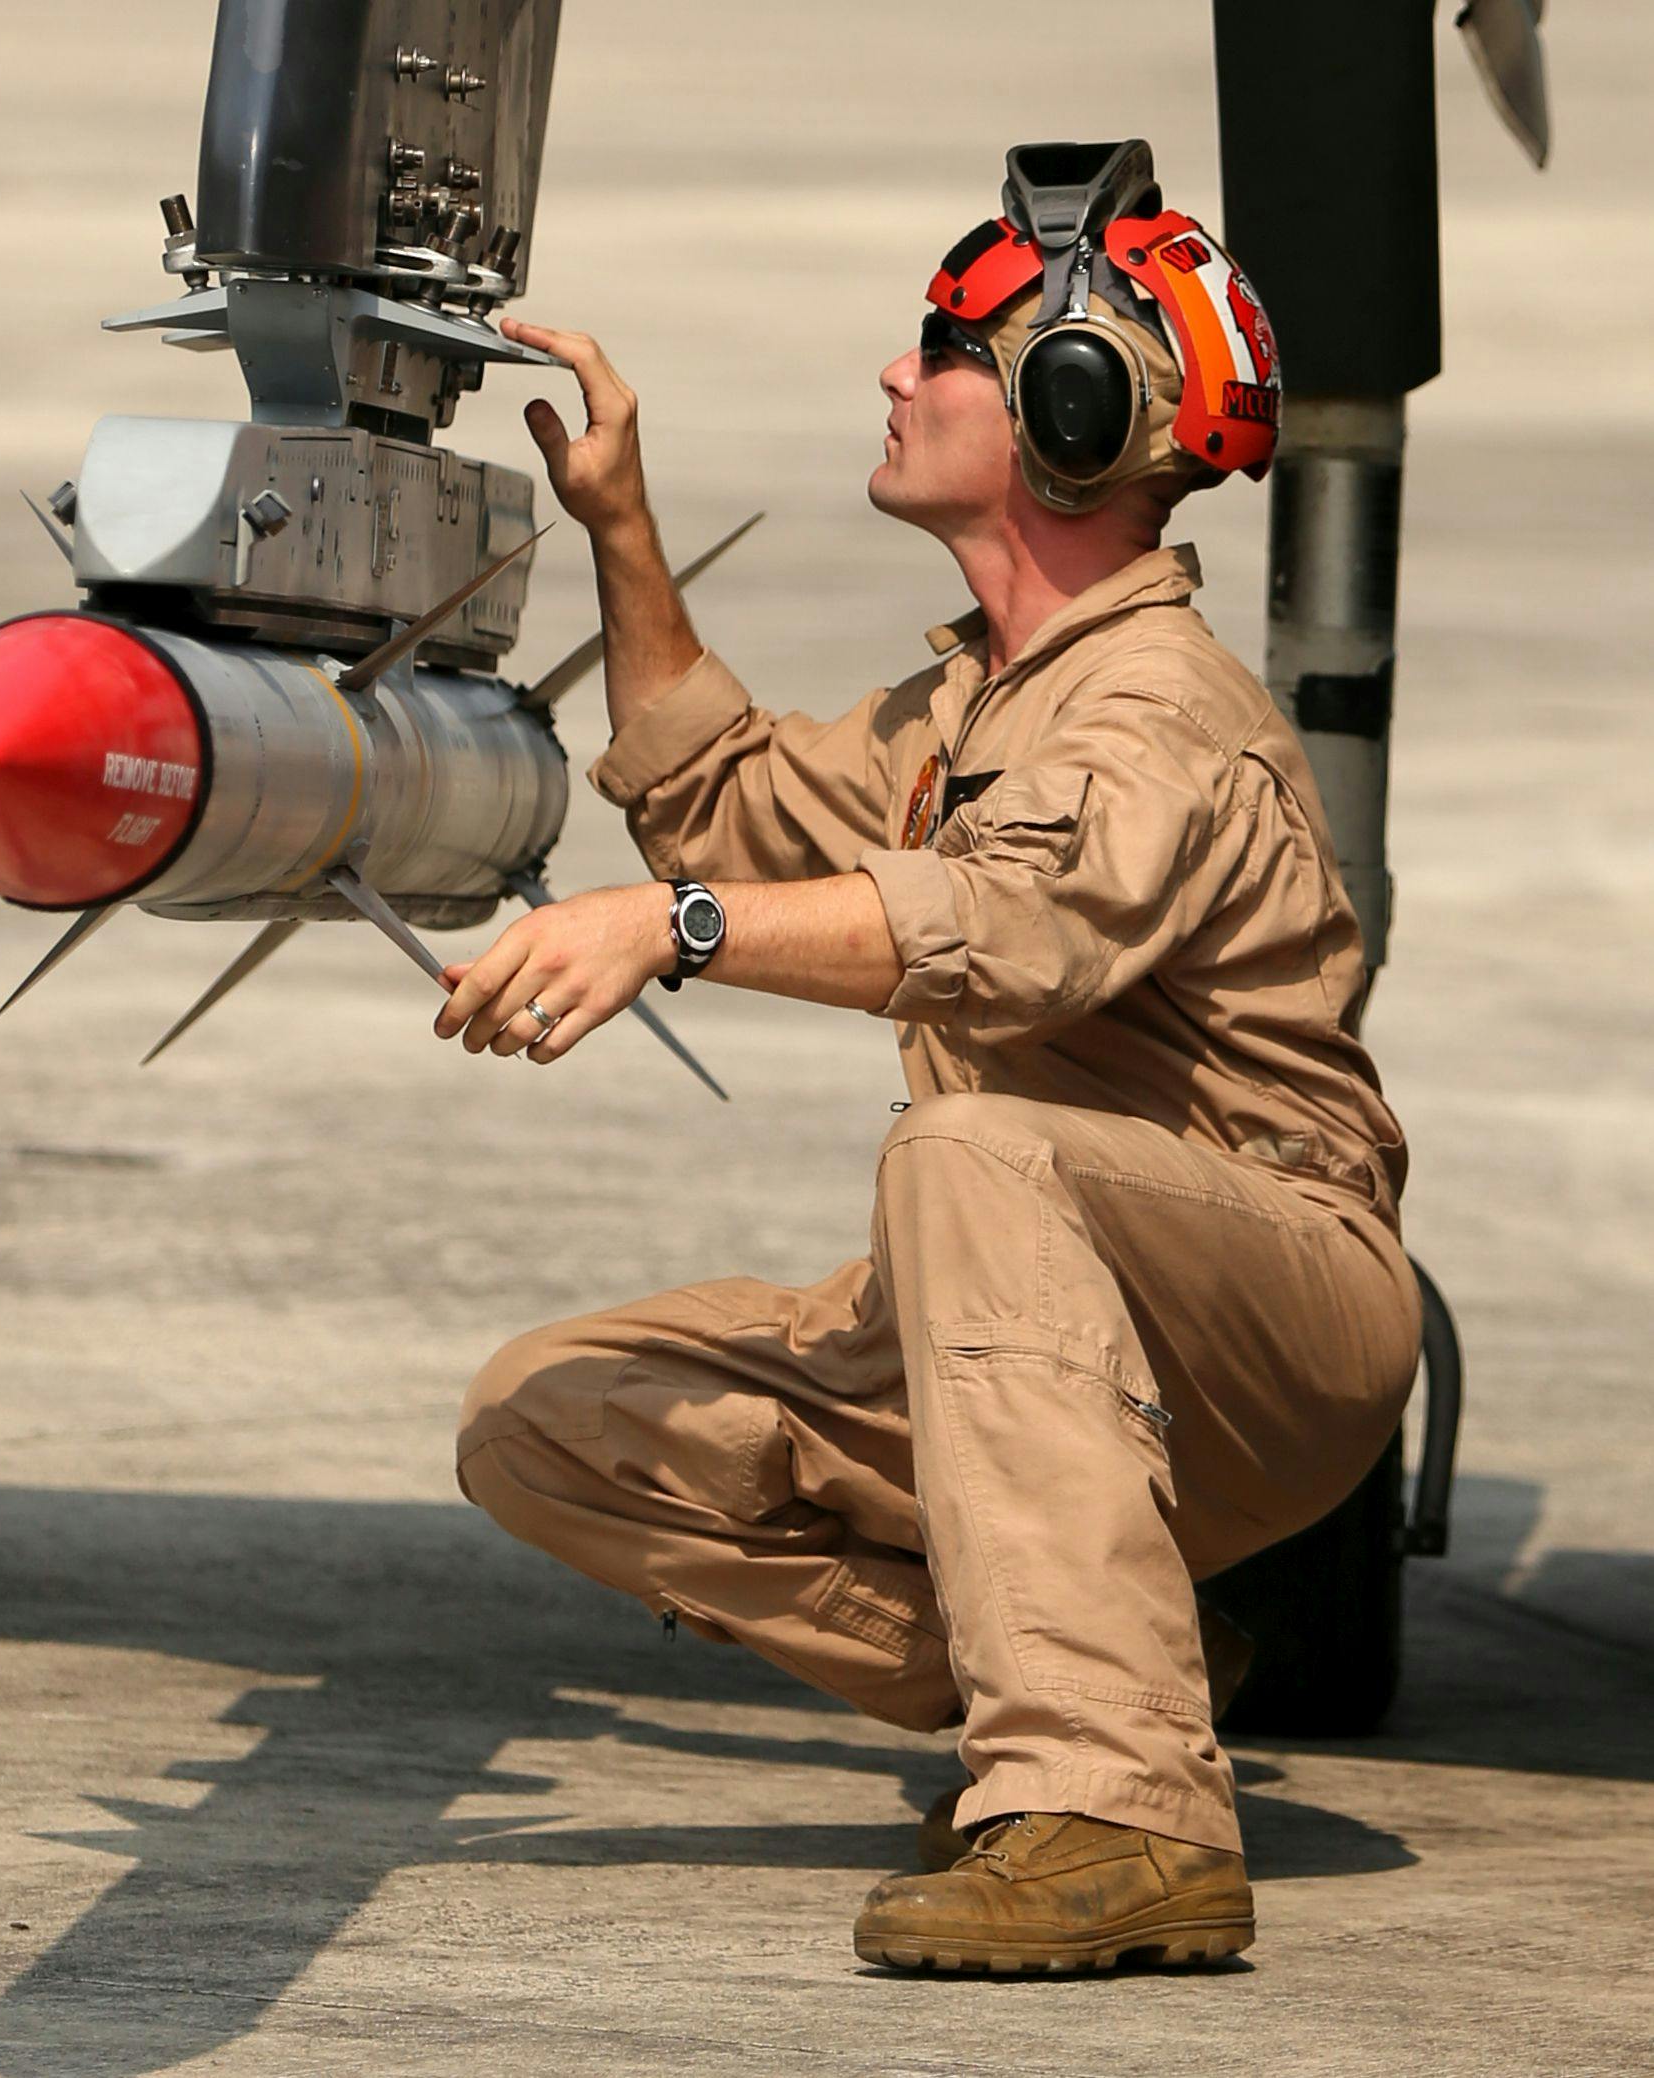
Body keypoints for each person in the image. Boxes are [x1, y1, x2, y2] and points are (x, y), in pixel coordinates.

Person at [434, 140, 1421, 1974]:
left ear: (1069, 404)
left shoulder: (1153, 711)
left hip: (1263, 1311)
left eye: (939, 345)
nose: (895, 375)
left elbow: (1009, 938)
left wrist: (674, 934)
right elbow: (721, 807)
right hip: (1043, 1317)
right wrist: (620, 532)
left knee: (972, 1149)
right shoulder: (971, 698)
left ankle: (1118, 1811)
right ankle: (1123, 1650)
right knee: (552, 1421)